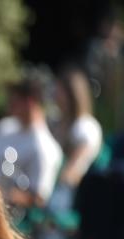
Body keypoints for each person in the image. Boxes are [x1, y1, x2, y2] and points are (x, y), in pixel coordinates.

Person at [0, 72, 62, 210]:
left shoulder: (44, 147)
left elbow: (38, 198)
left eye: (14, 100)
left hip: (6, 216)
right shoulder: (5, 126)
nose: (9, 103)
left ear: (29, 102)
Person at [50, 65, 104, 212]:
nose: (55, 94)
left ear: (72, 94)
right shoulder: (54, 122)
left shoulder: (86, 127)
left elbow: (74, 171)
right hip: (49, 184)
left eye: (59, 90)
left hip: (72, 194)